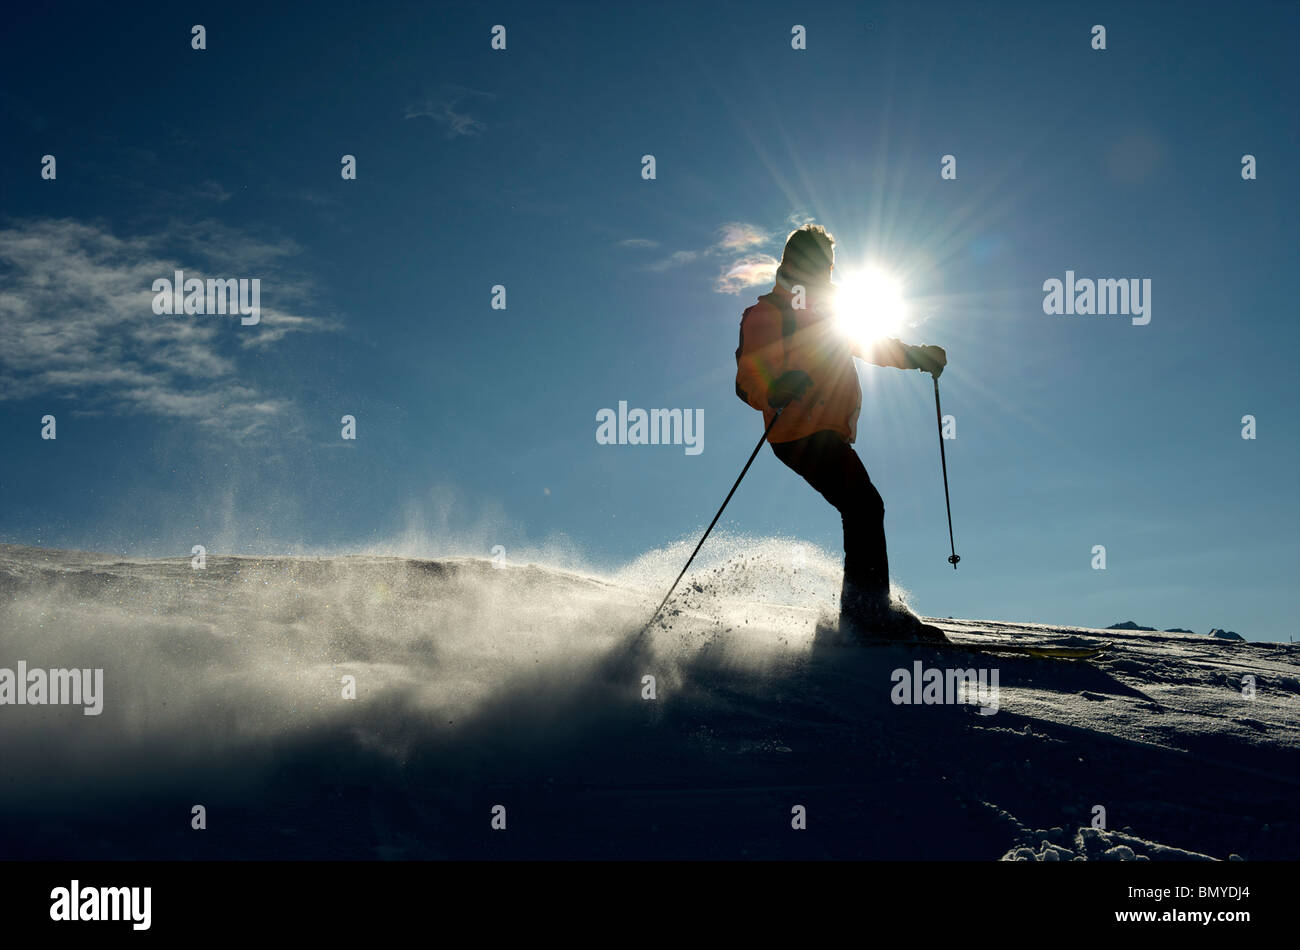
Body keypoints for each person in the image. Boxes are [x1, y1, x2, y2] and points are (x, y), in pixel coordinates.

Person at [734, 224, 948, 642]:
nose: (826, 275)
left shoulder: (824, 312)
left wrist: (918, 356)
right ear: (795, 263)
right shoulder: (766, 314)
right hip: (796, 432)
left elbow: (870, 344)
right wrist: (774, 389)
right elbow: (747, 379)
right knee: (865, 506)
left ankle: (864, 613)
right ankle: (866, 615)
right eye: (819, 265)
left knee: (863, 507)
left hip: (824, 431)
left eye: (829, 267)